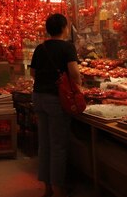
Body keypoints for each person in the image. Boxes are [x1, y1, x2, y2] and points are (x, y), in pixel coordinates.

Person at [30, 13, 81, 197]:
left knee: (44, 144)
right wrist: (79, 88)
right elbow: (74, 72)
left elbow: (33, 73)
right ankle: (58, 188)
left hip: (38, 97)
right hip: (56, 100)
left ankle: (47, 188)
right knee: (58, 145)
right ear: (63, 28)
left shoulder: (40, 48)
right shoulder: (67, 47)